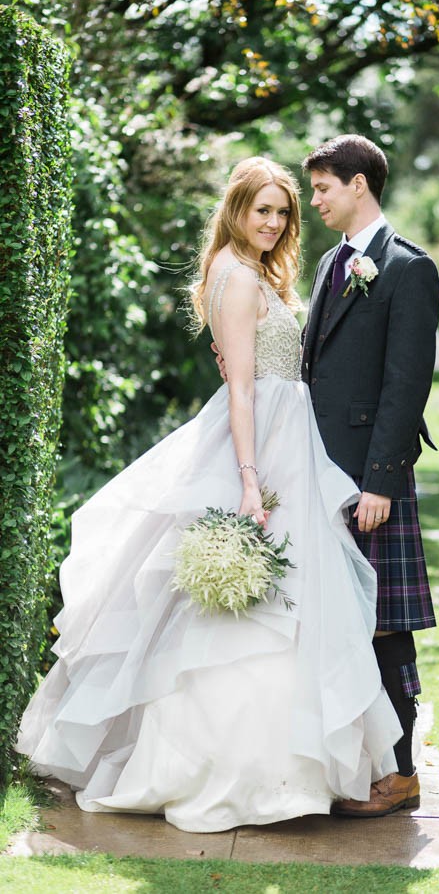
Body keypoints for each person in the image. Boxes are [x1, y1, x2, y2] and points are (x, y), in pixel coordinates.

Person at [16, 157, 402, 833]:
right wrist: (251, 479)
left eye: (284, 212)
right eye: (264, 210)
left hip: (288, 436)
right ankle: (230, 768)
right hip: (260, 446)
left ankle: (289, 763)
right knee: (246, 608)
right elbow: (244, 388)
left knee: (287, 601)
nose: (277, 222)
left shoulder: (252, 271)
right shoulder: (232, 274)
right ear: (236, 210)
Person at [301, 135, 439, 817]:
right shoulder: (333, 262)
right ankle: (355, 760)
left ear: (360, 185)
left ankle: (404, 773)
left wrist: (382, 480)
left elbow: (406, 382)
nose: (315, 200)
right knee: (338, 618)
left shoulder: (409, 268)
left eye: (324, 187)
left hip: (370, 479)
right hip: (320, 472)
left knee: (385, 623)